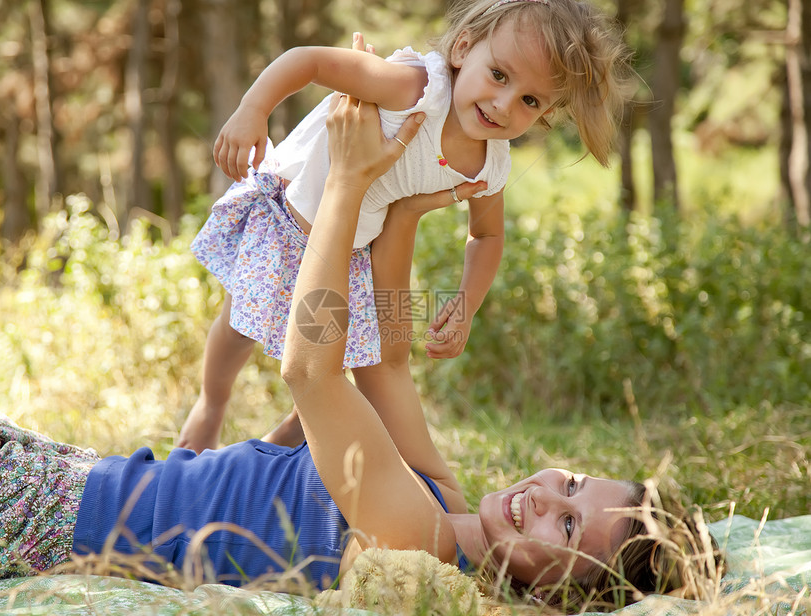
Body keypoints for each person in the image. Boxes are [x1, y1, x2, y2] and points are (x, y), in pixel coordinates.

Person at [0, 96, 718, 609]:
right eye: (575, 483)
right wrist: (406, 210)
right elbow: (382, 360)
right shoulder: (442, 503)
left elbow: (311, 370)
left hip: (26, 513)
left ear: (556, 597)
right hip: (63, 471)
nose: (547, 497)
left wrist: (348, 186)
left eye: (569, 528)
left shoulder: (413, 542)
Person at [179, 0, 633, 452]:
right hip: (292, 221)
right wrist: (252, 110)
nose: (503, 104)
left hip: (352, 257)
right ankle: (211, 406)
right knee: (239, 326)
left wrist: (467, 302)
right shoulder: (416, 89)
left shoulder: (490, 164)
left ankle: (271, 450)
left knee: (335, 365)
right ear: (462, 48)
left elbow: (488, 235)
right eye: (499, 74)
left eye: (530, 100)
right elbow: (310, 60)